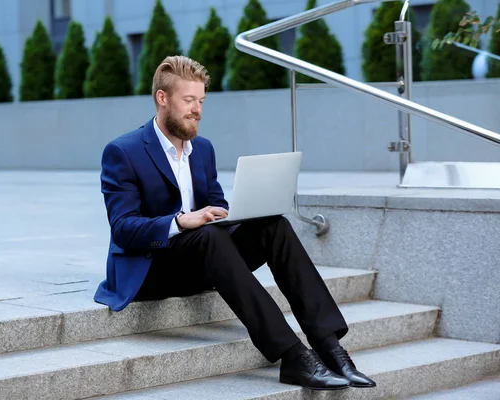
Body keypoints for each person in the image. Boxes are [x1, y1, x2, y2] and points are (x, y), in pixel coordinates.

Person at [94, 55, 376, 391]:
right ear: (162, 98)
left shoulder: (203, 149)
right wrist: (181, 221)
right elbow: (124, 230)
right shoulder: (123, 151)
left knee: (275, 227)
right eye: (188, 100)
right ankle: (293, 356)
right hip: (151, 269)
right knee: (208, 238)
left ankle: (329, 346)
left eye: (201, 101)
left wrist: (231, 214)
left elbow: (217, 205)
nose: (197, 109)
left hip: (203, 257)